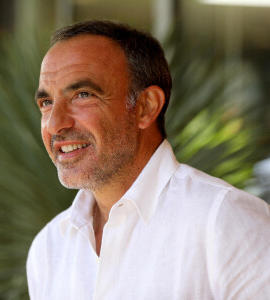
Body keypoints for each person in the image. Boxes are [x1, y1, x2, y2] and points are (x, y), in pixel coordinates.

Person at [27, 20, 270, 299]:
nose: (55, 124)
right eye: (46, 103)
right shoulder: (49, 247)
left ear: (146, 107)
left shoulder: (226, 220)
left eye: (83, 95)